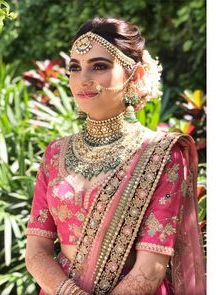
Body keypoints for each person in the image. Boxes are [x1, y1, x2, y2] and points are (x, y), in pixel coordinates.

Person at [25, 17, 206, 295]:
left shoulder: (161, 154)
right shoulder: (55, 154)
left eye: (99, 66)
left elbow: (152, 266)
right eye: (75, 68)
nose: (83, 79)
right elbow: (37, 250)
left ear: (135, 75)